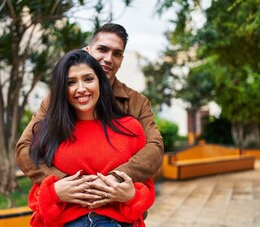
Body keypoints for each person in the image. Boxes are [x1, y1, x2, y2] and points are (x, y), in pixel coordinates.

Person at [15, 23, 163, 201]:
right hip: (66, 214)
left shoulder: (137, 102)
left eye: (116, 53)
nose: (108, 58)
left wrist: (115, 179)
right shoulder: (58, 98)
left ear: (122, 60)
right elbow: (24, 149)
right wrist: (60, 182)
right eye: (102, 49)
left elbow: (154, 148)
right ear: (88, 50)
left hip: (119, 213)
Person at [28, 49, 155, 227]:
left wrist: (129, 195)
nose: (81, 88)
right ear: (62, 88)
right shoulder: (48, 131)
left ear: (100, 82)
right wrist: (54, 192)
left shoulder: (131, 128)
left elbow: (145, 190)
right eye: (71, 82)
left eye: (88, 79)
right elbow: (36, 195)